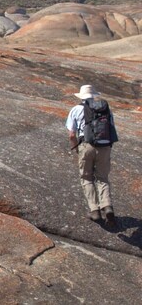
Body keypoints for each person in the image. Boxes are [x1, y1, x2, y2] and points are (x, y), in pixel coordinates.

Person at [66, 84, 118, 225]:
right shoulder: (105, 109)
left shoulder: (76, 109)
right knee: (102, 178)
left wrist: (76, 148)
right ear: (94, 95)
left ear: (81, 96)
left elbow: (72, 134)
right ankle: (107, 207)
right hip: (105, 146)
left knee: (86, 177)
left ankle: (94, 210)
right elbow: (112, 128)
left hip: (86, 145)